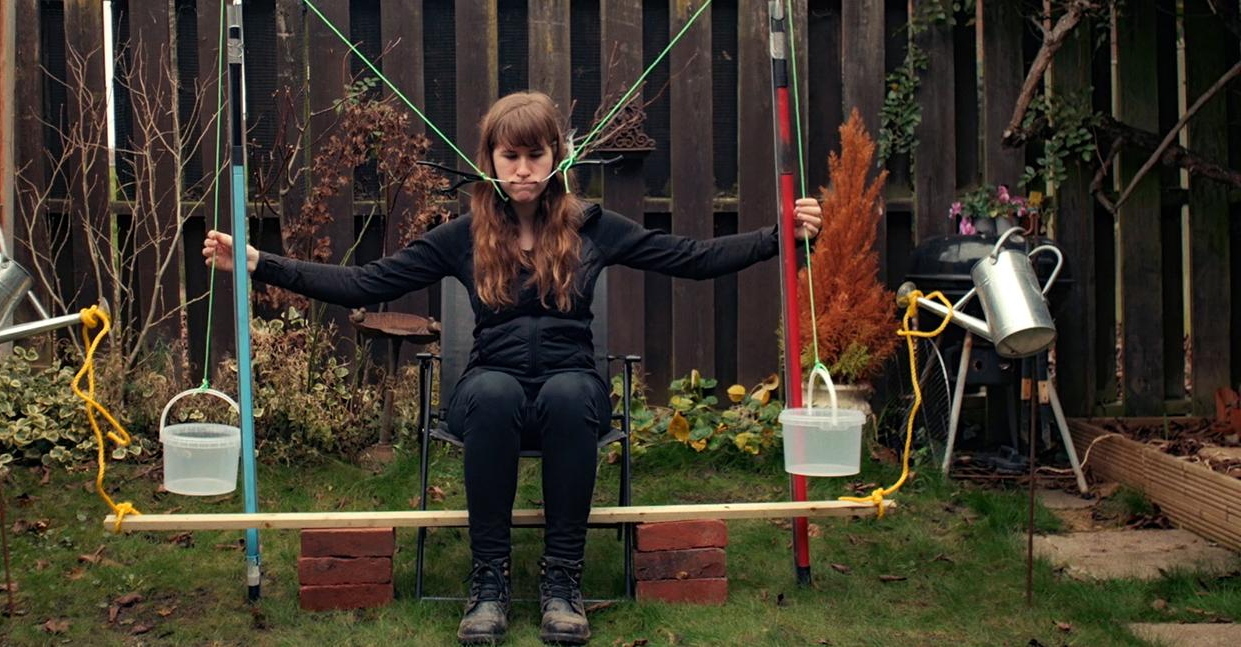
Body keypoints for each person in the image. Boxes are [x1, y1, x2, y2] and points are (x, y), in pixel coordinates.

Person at [203, 91, 821, 645]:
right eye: (509, 156)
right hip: (488, 396)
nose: (522, 169)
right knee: (496, 392)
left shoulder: (592, 228)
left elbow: (691, 257)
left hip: (569, 398)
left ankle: (561, 584)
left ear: (556, 157)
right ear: (490, 161)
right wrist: (261, 262)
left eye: (534, 155)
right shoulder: (462, 235)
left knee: (571, 392)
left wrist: (780, 236)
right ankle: (490, 583)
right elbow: (367, 280)